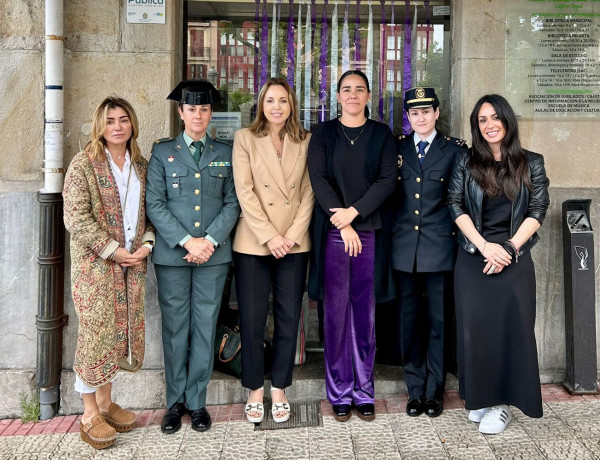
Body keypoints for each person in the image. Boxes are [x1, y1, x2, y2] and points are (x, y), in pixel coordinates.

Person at [447, 94, 550, 434]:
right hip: (473, 259)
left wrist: (507, 247)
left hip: (514, 259)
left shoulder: (531, 162)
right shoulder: (465, 161)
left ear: (507, 121)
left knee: (511, 332)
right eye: (482, 120)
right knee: (475, 332)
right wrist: (484, 247)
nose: (489, 125)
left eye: (495, 118)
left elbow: (537, 211)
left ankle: (502, 404)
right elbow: (456, 206)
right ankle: (480, 398)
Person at [145, 81, 240, 434]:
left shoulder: (225, 152)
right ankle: (175, 403)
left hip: (213, 257)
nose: (198, 115)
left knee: (205, 327)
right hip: (174, 256)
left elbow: (233, 201)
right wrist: (188, 241)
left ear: (210, 113)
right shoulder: (162, 153)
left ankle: (197, 402)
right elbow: (154, 203)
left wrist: (210, 240)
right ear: (180, 112)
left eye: (203, 109)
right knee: (175, 330)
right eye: (191, 109)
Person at [63, 96, 155, 449]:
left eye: (123, 119)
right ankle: (89, 413)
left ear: (132, 123)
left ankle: (105, 402)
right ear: (99, 125)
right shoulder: (84, 164)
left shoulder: (141, 165)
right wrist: (112, 250)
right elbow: (76, 217)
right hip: (96, 268)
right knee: (95, 333)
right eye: (110, 120)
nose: (117, 126)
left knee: (119, 332)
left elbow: (149, 215)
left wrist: (146, 246)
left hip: (132, 264)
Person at [308, 69, 396, 422]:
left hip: (369, 231)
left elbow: (387, 180)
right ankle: (340, 391)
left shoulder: (381, 134)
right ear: (338, 96)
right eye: (347, 89)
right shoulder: (324, 133)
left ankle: (364, 391)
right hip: (333, 233)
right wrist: (341, 222)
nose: (353, 95)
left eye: (360, 89)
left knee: (365, 313)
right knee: (335, 313)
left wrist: (354, 214)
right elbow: (319, 178)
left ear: (369, 95)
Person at [232, 77, 314, 424]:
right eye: (270, 101)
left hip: (294, 244)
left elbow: (310, 191)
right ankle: (254, 389)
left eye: (283, 100)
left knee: (288, 318)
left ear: (291, 105)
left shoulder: (306, 140)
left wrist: (291, 235)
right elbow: (245, 191)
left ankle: (279, 387)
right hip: (254, 243)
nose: (277, 107)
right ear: (261, 105)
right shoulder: (245, 138)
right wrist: (270, 236)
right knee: (251, 320)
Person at [392, 87, 467, 418]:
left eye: (426, 111)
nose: (420, 118)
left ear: (437, 113)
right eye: (414, 113)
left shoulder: (454, 151)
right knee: (409, 322)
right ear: (408, 117)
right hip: (404, 248)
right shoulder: (397, 149)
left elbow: (460, 200)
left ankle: (435, 391)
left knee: (438, 321)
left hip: (439, 248)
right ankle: (415, 389)